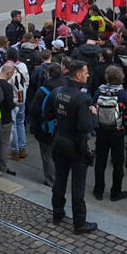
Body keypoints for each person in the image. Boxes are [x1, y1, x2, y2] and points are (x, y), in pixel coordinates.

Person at [45, 60, 98, 234]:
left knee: (60, 179)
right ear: (78, 74)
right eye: (86, 72)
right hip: (76, 145)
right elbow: (85, 127)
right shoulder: (81, 98)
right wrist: (92, 115)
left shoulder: (58, 91)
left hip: (60, 140)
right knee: (78, 184)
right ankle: (79, 222)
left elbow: (47, 113)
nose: (88, 75)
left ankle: (57, 213)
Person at [92, 65, 127, 202]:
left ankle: (98, 190)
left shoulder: (99, 91)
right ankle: (115, 192)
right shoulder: (123, 95)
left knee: (100, 162)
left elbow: (93, 108)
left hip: (101, 132)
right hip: (117, 133)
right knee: (117, 164)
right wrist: (125, 130)